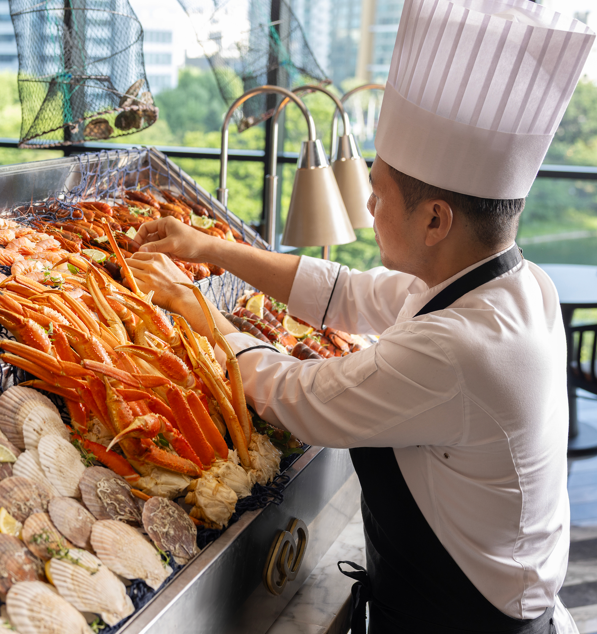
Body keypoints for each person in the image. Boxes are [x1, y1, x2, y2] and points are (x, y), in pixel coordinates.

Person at [126, 1, 595, 632]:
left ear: (435, 220)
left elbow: (295, 395)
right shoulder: (511, 283)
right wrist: (207, 247)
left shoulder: (460, 349)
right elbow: (343, 291)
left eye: (377, 191)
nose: (366, 204)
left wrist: (193, 307)